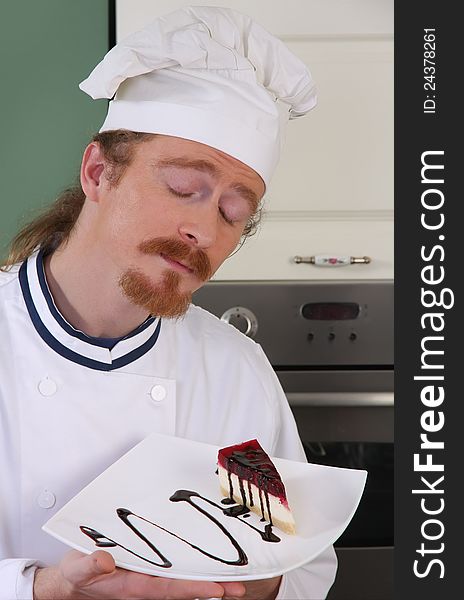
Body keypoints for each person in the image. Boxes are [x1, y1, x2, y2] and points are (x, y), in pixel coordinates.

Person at [0, 6, 337, 600]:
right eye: (185, 188)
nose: (205, 232)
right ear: (99, 172)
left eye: (235, 212)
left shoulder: (230, 371)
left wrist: (237, 586)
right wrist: (46, 589)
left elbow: (295, 560)